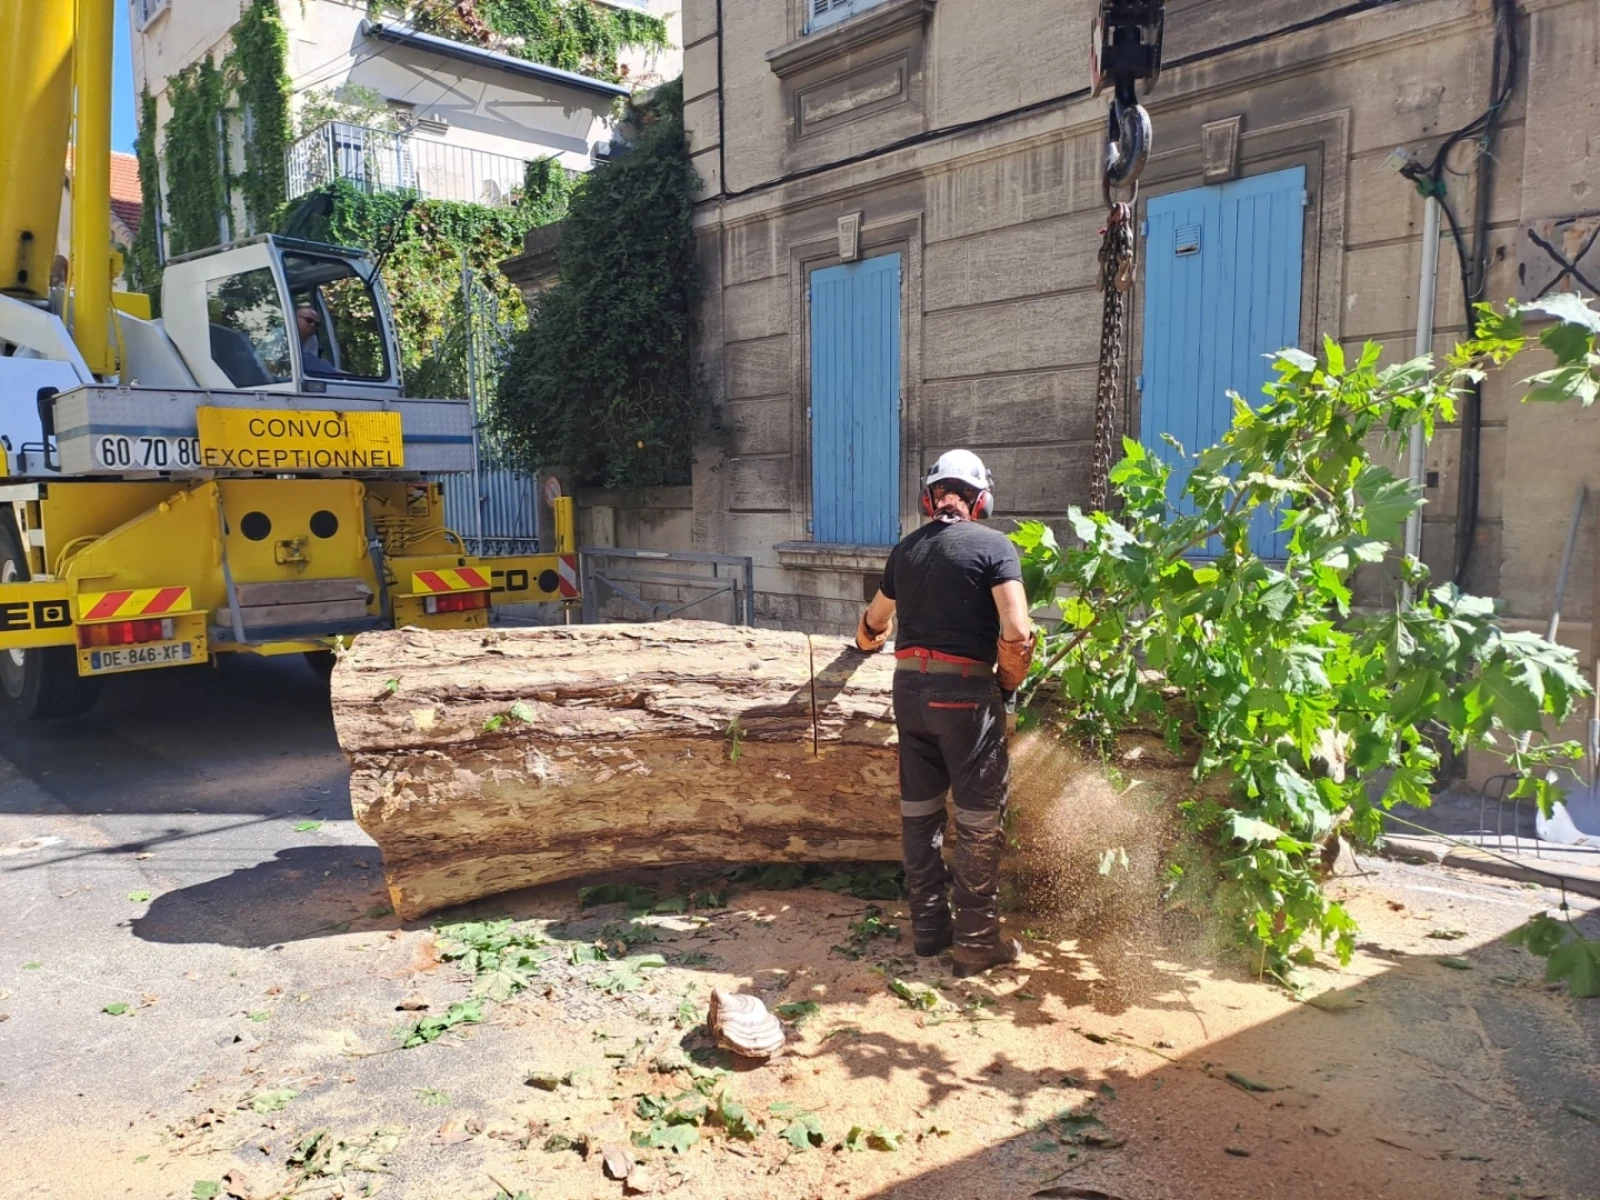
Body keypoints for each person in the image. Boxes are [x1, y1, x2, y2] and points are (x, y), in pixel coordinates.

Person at [854, 450, 1037, 978]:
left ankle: (929, 930)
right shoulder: (994, 546)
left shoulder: (905, 550)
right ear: (981, 500)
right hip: (964, 696)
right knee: (978, 817)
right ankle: (976, 941)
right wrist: (1007, 681)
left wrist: (865, 642)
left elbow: (874, 623)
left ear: (929, 498)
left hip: (908, 692)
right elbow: (1017, 631)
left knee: (920, 811)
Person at [295, 305, 337, 377]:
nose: (313, 325)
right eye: (309, 320)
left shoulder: (313, 339)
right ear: (296, 319)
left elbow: (311, 363)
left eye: (317, 324)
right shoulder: (281, 336)